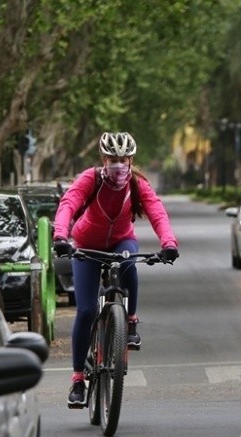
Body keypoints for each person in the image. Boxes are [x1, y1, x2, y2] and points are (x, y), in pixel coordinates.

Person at [53, 131, 179, 407]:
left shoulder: (137, 184)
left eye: (123, 159)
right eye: (113, 159)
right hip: (87, 243)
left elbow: (157, 211)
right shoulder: (90, 178)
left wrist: (168, 243)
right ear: (103, 158)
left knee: (129, 262)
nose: (118, 164)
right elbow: (69, 204)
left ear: (131, 159)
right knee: (86, 311)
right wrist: (61, 236)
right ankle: (77, 380)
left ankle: (130, 320)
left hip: (122, 239)